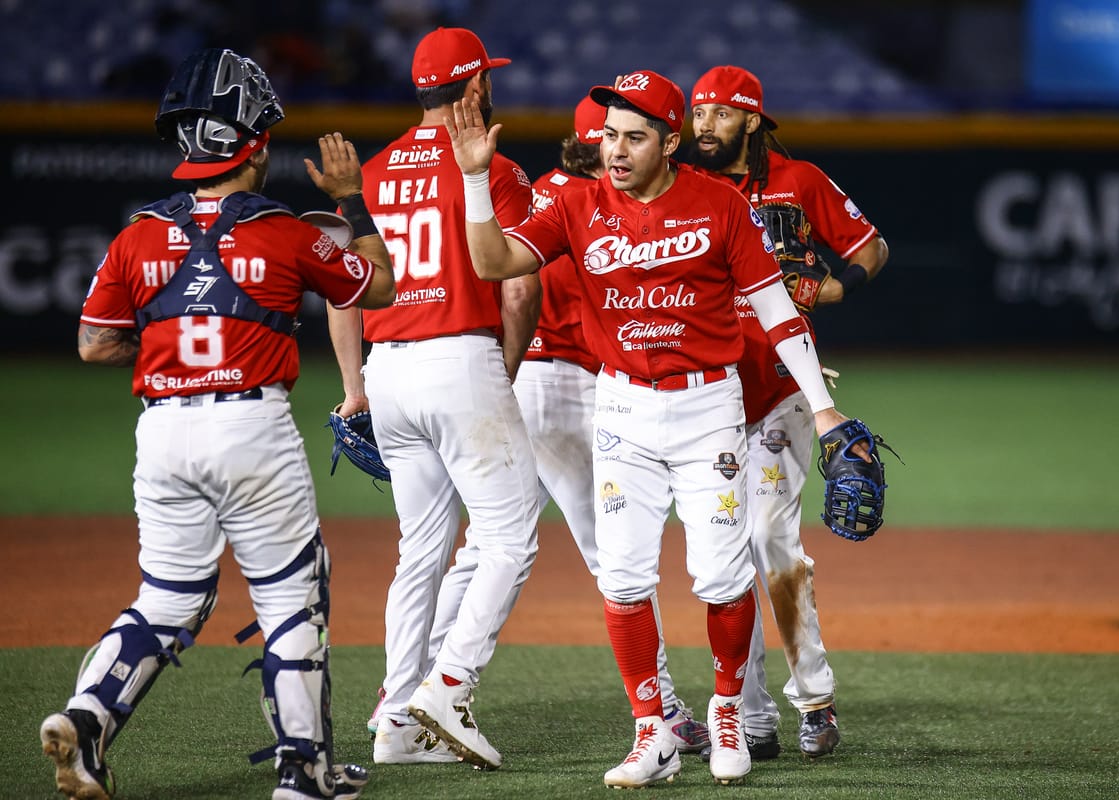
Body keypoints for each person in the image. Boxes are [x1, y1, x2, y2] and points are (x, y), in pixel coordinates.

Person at [444, 69, 874, 788]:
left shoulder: (718, 205)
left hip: (710, 407)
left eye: (634, 137)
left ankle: (729, 710)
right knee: (622, 577)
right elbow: (493, 261)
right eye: (609, 135)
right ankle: (653, 731)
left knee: (721, 575)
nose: (615, 149)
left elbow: (775, 309)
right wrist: (475, 182)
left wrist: (821, 409)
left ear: (670, 142)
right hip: (621, 408)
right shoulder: (578, 204)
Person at [41, 48, 396, 800]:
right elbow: (382, 286)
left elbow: (94, 342)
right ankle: (304, 771)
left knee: (167, 597)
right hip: (252, 431)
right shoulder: (287, 234)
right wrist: (351, 200)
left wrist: (175, 351)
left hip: (164, 432)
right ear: (256, 144)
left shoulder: (138, 234)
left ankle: (89, 714)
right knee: (291, 593)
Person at [420, 94, 710, 758]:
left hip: (522, 382)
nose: (617, 150)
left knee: (484, 546)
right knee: (617, 556)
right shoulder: (602, 205)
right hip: (578, 391)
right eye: (614, 138)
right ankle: (663, 707)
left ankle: (410, 686)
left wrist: (503, 380)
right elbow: (521, 287)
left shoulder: (544, 194)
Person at [326, 27, 541, 771]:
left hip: (388, 371)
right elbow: (518, 285)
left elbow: (342, 289)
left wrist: (355, 386)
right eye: (487, 77)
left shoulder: (375, 175)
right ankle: (449, 688)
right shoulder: (495, 169)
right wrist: (501, 371)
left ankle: (394, 722)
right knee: (511, 538)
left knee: (419, 552)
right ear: (474, 88)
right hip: (461, 356)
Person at [688, 64, 890, 760]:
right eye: (697, 112)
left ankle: (816, 700)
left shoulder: (798, 182)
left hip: (779, 391)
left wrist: (836, 288)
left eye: (719, 113)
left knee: (770, 544)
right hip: (706, 398)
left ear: (751, 120)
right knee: (721, 558)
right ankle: (751, 715)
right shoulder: (685, 191)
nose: (703, 124)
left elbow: (872, 246)